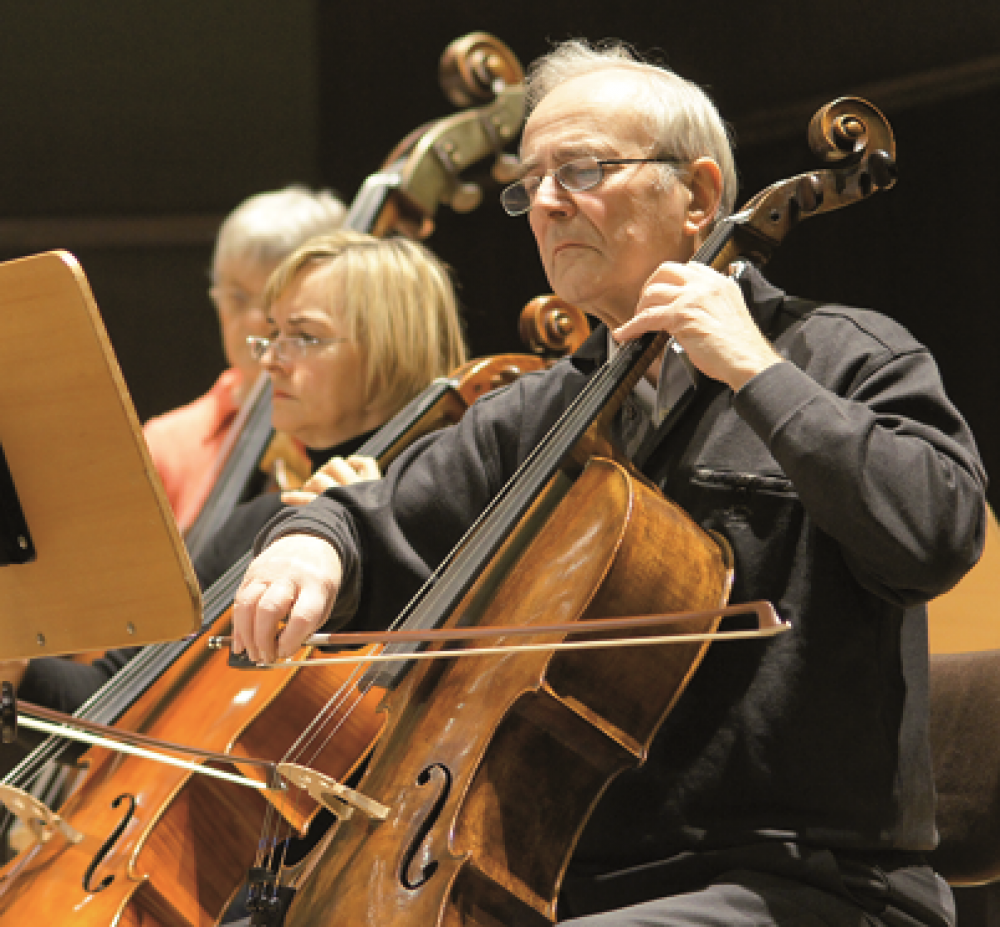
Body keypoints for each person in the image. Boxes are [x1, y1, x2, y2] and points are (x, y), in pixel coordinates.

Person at [231, 40, 988, 927]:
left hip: (803, 878)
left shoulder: (847, 354)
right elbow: (377, 518)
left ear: (699, 197)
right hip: (563, 881)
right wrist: (312, 543)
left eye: (582, 170)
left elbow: (936, 532)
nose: (546, 205)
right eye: (530, 183)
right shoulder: (543, 409)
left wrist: (757, 371)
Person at [3, 229, 467, 715]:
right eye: (272, 335)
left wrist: (376, 535)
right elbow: (121, 691)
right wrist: (19, 673)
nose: (270, 361)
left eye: (304, 337)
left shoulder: (440, 506)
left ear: (391, 348)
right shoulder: (256, 523)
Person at [143, 185, 347, 533]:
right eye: (237, 297)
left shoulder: (350, 428)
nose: (255, 320)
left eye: (274, 298)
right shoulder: (164, 445)